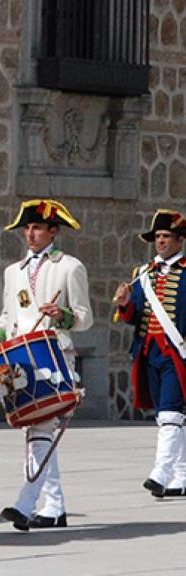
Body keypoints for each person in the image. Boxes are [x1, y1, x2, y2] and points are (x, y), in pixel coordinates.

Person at [0, 200, 93, 531]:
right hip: (21, 358)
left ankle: (26, 503)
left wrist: (62, 316)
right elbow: (9, 315)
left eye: (36, 228)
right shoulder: (13, 271)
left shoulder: (69, 267)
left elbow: (85, 317)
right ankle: (54, 506)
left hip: (53, 355)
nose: (30, 234)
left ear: (53, 232)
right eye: (27, 228)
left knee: (41, 427)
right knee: (38, 429)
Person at [115, 209, 186, 498]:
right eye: (157, 237)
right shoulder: (142, 274)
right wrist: (124, 304)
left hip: (177, 354)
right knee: (169, 416)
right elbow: (135, 316)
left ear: (180, 240)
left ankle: (160, 473)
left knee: (170, 414)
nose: (160, 242)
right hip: (148, 352)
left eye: (166, 236)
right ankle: (181, 477)